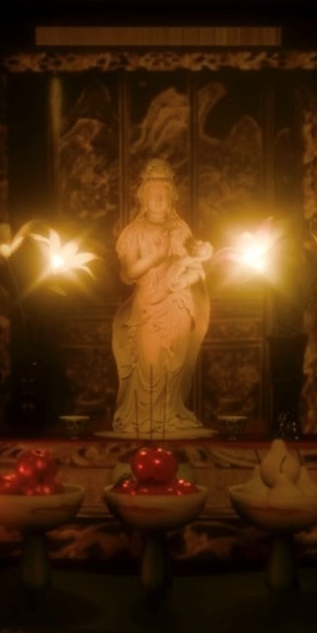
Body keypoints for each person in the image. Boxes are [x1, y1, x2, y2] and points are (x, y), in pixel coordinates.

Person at [108, 158, 214, 439]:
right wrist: (156, 256)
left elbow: (196, 264)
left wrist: (188, 275)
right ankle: (143, 417)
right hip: (148, 304)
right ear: (143, 197)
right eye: (153, 193)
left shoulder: (181, 230)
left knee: (174, 362)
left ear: (172, 197)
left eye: (164, 193)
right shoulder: (134, 232)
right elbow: (128, 273)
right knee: (151, 362)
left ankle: (168, 414)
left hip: (178, 302)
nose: (158, 199)